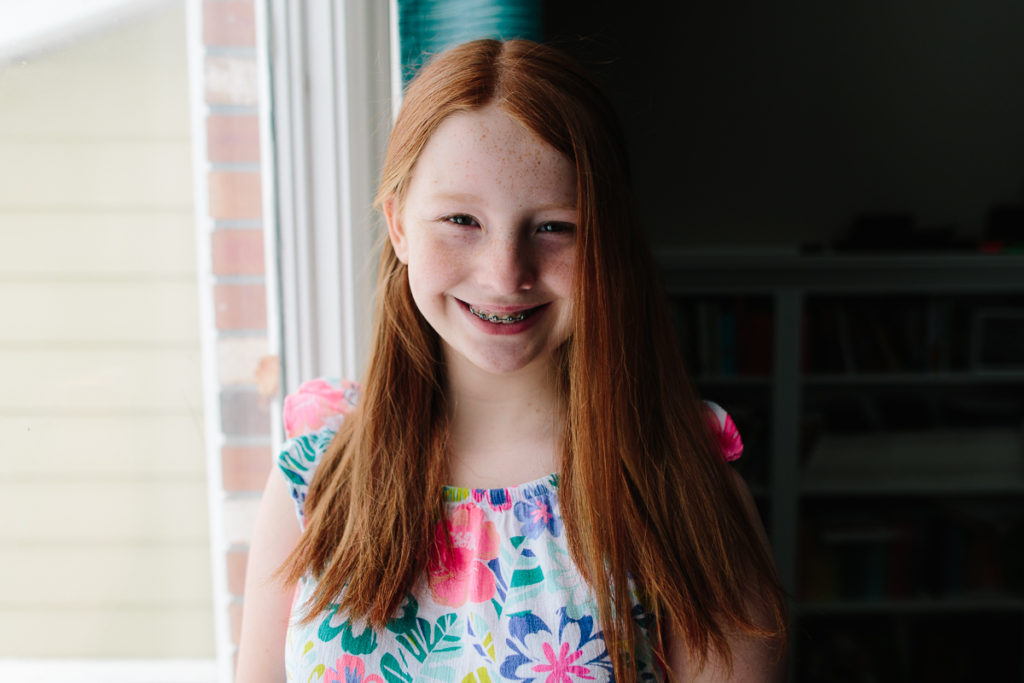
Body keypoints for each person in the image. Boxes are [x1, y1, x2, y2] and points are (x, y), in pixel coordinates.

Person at [236, 38, 787, 682]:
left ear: (606, 245)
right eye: (462, 220)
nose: (506, 275)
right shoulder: (314, 479)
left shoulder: (682, 491)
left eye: (554, 227)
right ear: (399, 226)